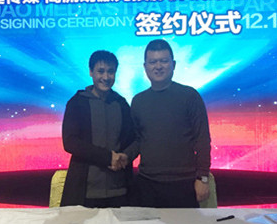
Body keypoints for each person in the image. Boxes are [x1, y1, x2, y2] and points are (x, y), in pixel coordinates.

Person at [123, 39, 211, 208]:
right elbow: (139, 140)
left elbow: (202, 140)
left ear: (173, 64)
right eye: (153, 62)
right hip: (147, 183)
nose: (158, 66)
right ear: (145, 66)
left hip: (184, 183)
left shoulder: (189, 96)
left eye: (163, 61)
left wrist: (203, 178)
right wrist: (124, 157)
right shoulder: (138, 101)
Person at [60, 50, 133, 207]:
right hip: (85, 190)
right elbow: (70, 142)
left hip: (119, 190)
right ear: (91, 72)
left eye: (111, 71)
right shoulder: (77, 103)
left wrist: (126, 156)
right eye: (100, 71)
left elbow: (134, 139)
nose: (106, 77)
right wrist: (107, 157)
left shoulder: (121, 104)